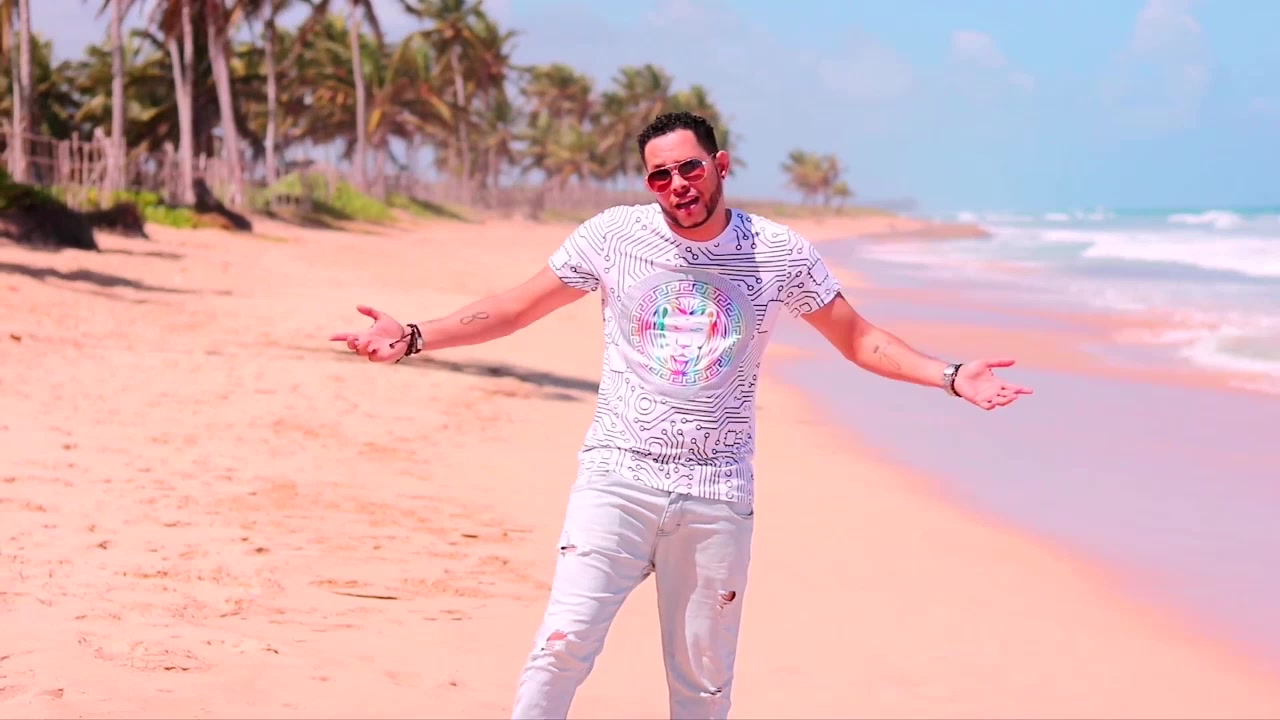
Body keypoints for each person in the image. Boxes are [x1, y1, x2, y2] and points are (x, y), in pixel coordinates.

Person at [329, 111, 1033, 719]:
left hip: (716, 493)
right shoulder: (614, 237)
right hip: (617, 478)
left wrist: (949, 376)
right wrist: (415, 336)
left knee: (702, 684)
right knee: (561, 647)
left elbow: (857, 338)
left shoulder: (777, 253)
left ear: (720, 166)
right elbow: (515, 308)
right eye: (659, 176)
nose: (676, 186)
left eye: (689, 168)